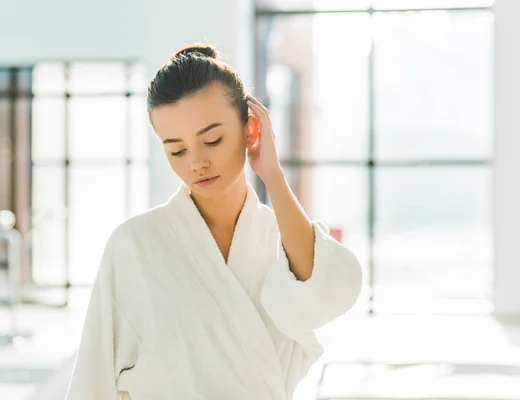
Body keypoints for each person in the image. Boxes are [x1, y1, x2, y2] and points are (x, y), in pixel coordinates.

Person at [64, 43, 363, 400]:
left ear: (250, 131)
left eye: (212, 140)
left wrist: (272, 174)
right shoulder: (134, 245)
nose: (196, 162)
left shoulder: (280, 239)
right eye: (177, 150)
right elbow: (92, 379)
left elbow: (325, 292)